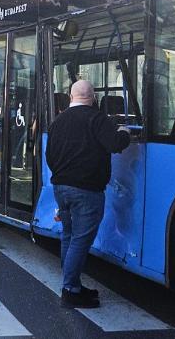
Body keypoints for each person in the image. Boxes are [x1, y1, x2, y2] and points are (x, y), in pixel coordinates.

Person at [45, 80, 131, 309]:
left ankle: (71, 284)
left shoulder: (57, 122)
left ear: (71, 97)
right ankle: (70, 290)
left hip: (60, 189)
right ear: (93, 98)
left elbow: (50, 157)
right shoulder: (97, 118)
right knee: (81, 240)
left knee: (68, 235)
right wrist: (124, 131)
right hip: (86, 191)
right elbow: (115, 144)